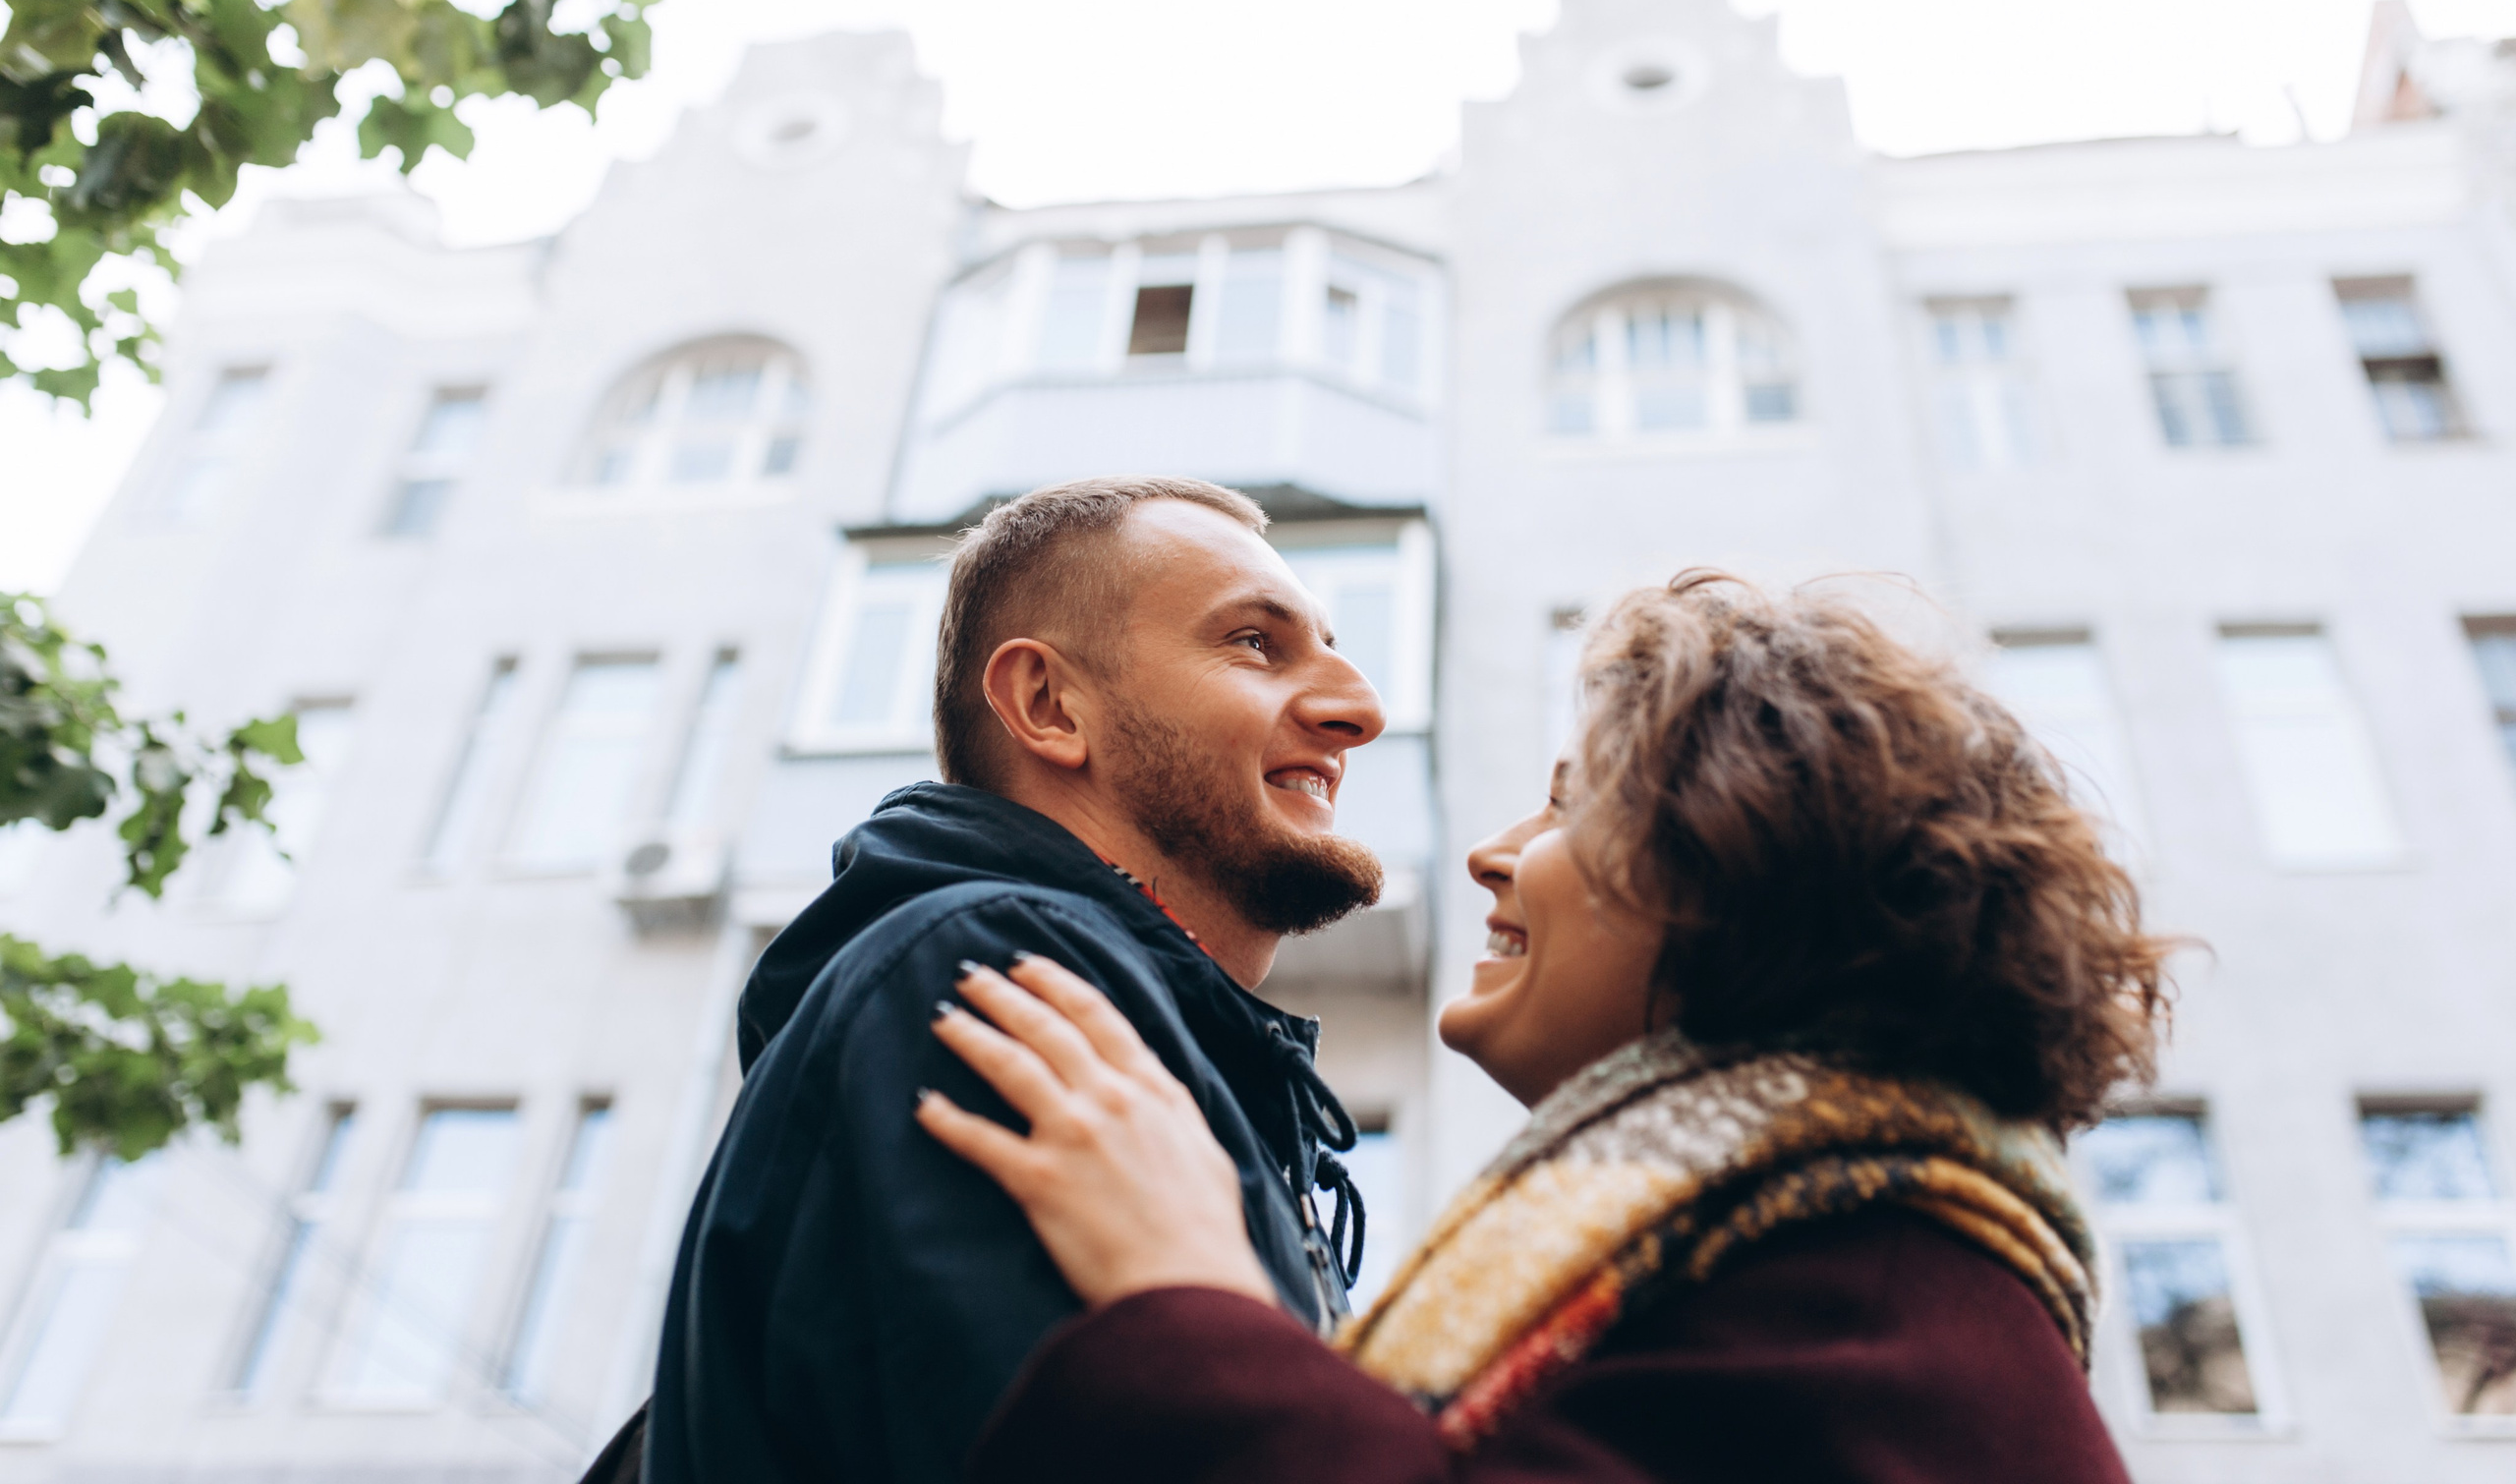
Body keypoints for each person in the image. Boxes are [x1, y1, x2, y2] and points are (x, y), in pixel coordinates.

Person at [920, 570, 2174, 1483]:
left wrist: (1186, 1292)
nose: (1489, 854)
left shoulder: (1884, 1301)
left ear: (1744, 867)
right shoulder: (1818, 1256)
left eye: (1571, 806)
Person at [614, 477, 1389, 1484]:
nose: (1357, 710)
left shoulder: (1103, 1029)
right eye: (1254, 642)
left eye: (1332, 648)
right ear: (1047, 704)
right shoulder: (994, 982)